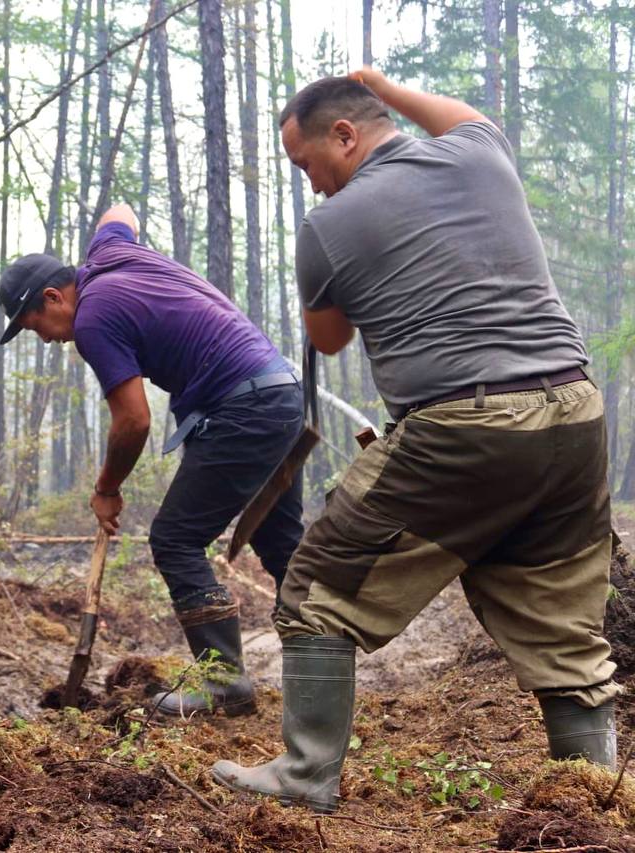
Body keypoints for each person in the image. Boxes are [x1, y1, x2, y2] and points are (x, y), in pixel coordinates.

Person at [212, 70, 620, 814]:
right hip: (575, 415)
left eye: (308, 165)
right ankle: (595, 797)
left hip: (468, 426)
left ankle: (304, 775)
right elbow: (462, 115)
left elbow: (329, 339)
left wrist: (328, 262)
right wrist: (383, 85)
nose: (311, 186)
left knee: (314, 587)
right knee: (559, 617)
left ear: (345, 135)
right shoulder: (480, 152)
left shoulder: (328, 229)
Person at [0, 203, 306, 716]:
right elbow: (120, 210)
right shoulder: (109, 251)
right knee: (279, 542)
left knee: (175, 539)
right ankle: (324, 663)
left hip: (243, 408)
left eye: (36, 326)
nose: (47, 339)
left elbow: (134, 421)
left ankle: (224, 683)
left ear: (53, 296)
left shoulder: (93, 319)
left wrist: (107, 488)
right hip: (281, 392)